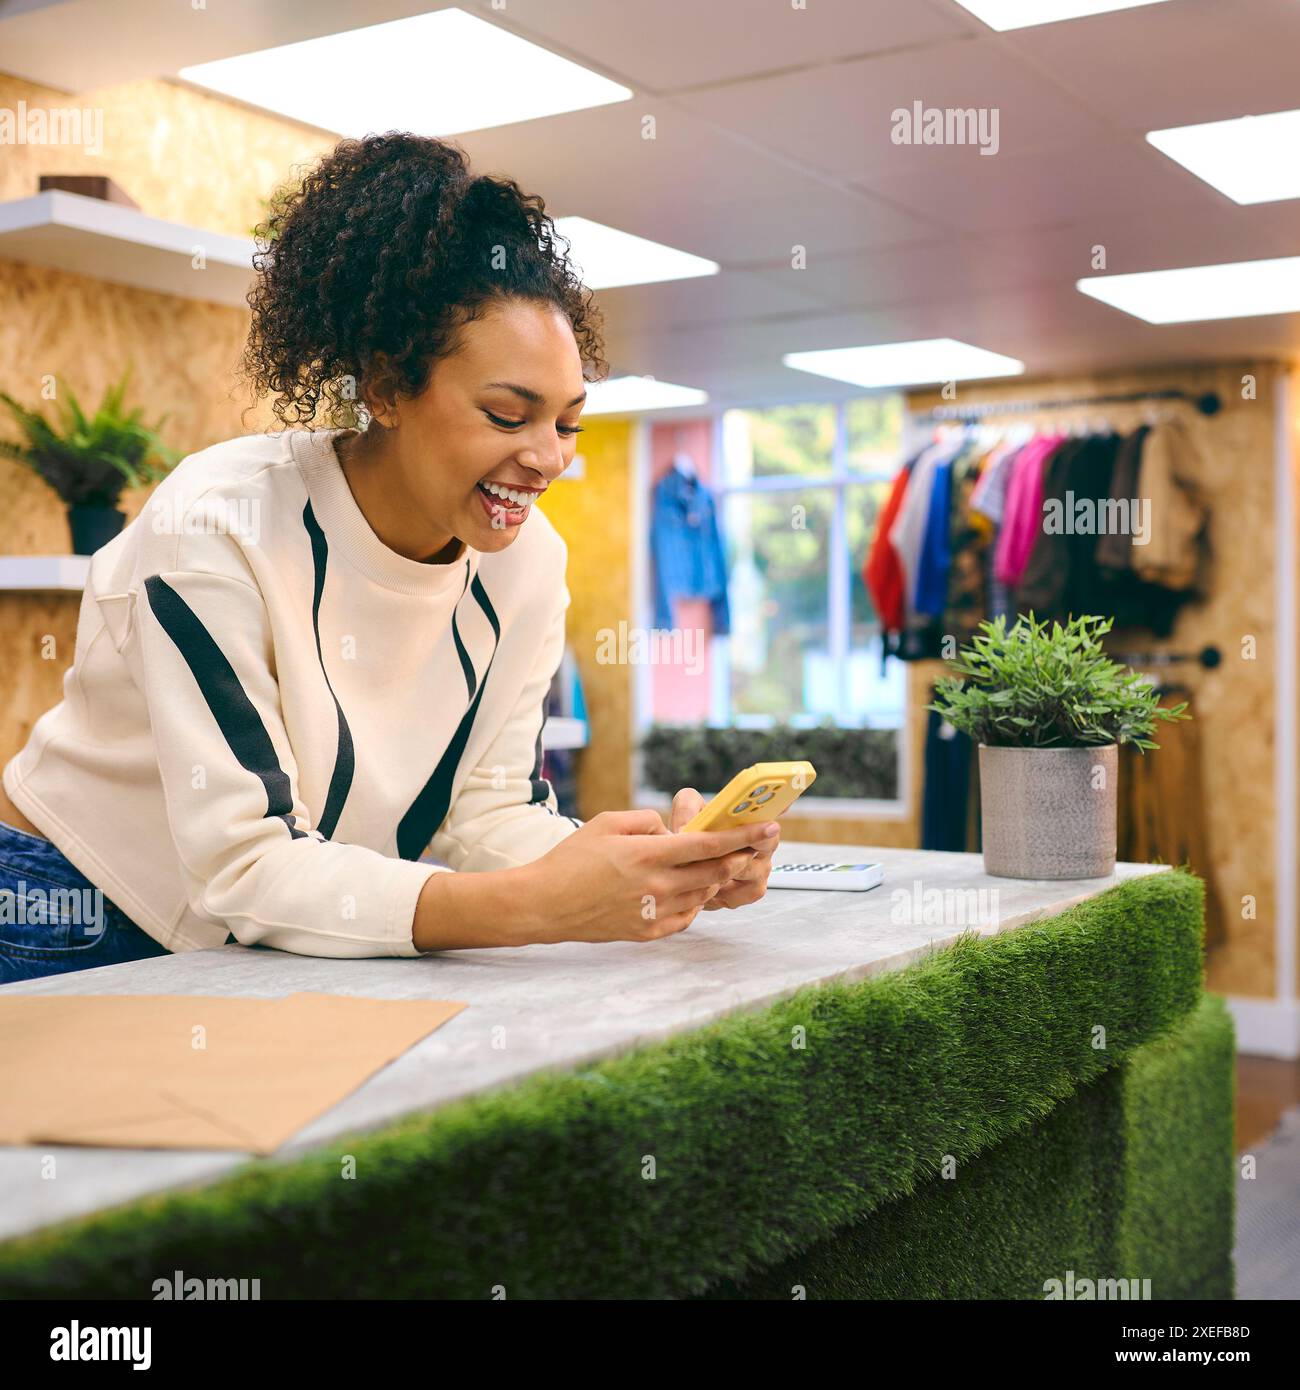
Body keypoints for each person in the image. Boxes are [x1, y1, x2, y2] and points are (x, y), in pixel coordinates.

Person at [0, 132, 777, 985]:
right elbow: (243, 870)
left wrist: (650, 873)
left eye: (568, 423)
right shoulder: (216, 523)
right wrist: (545, 906)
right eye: (509, 416)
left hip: (280, 923)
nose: (550, 458)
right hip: (73, 909)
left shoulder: (529, 565)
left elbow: (488, 811)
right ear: (385, 389)